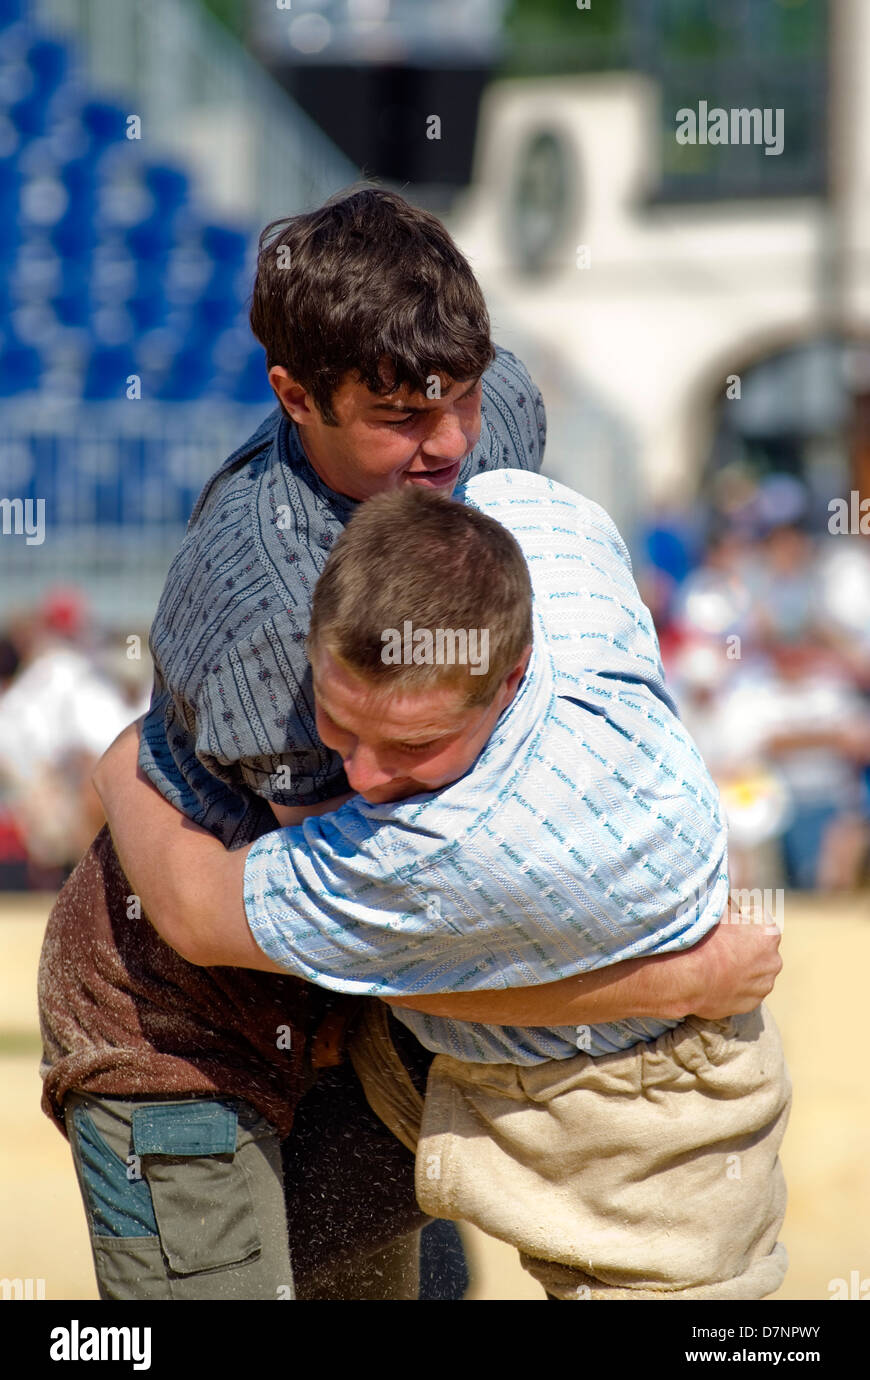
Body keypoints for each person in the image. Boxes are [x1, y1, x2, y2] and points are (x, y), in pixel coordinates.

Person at [38, 185, 762, 1302]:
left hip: (358, 1029)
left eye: (460, 397)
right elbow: (383, 924)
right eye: (401, 419)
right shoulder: (267, 615)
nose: (451, 444)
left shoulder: (475, 402)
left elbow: (405, 933)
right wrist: (680, 976)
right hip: (183, 1025)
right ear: (295, 395)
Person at [94, 471, 789, 1301]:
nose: (363, 776)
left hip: (641, 1103)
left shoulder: (445, 847)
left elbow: (196, 911)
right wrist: (688, 976)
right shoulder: (542, 532)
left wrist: (128, 757)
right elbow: (487, 428)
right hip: (319, 1049)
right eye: (338, 722)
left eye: (414, 744)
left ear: (512, 671)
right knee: (257, 1268)